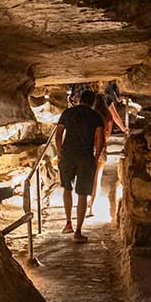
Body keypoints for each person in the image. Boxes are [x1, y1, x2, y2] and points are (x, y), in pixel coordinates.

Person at [53, 89, 104, 242]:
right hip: (85, 157)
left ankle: (68, 223)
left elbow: (58, 134)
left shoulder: (68, 112)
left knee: (67, 189)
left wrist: (60, 152)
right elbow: (99, 139)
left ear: (79, 99)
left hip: (68, 154)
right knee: (82, 194)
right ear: (93, 102)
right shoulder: (96, 116)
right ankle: (78, 232)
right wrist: (95, 158)